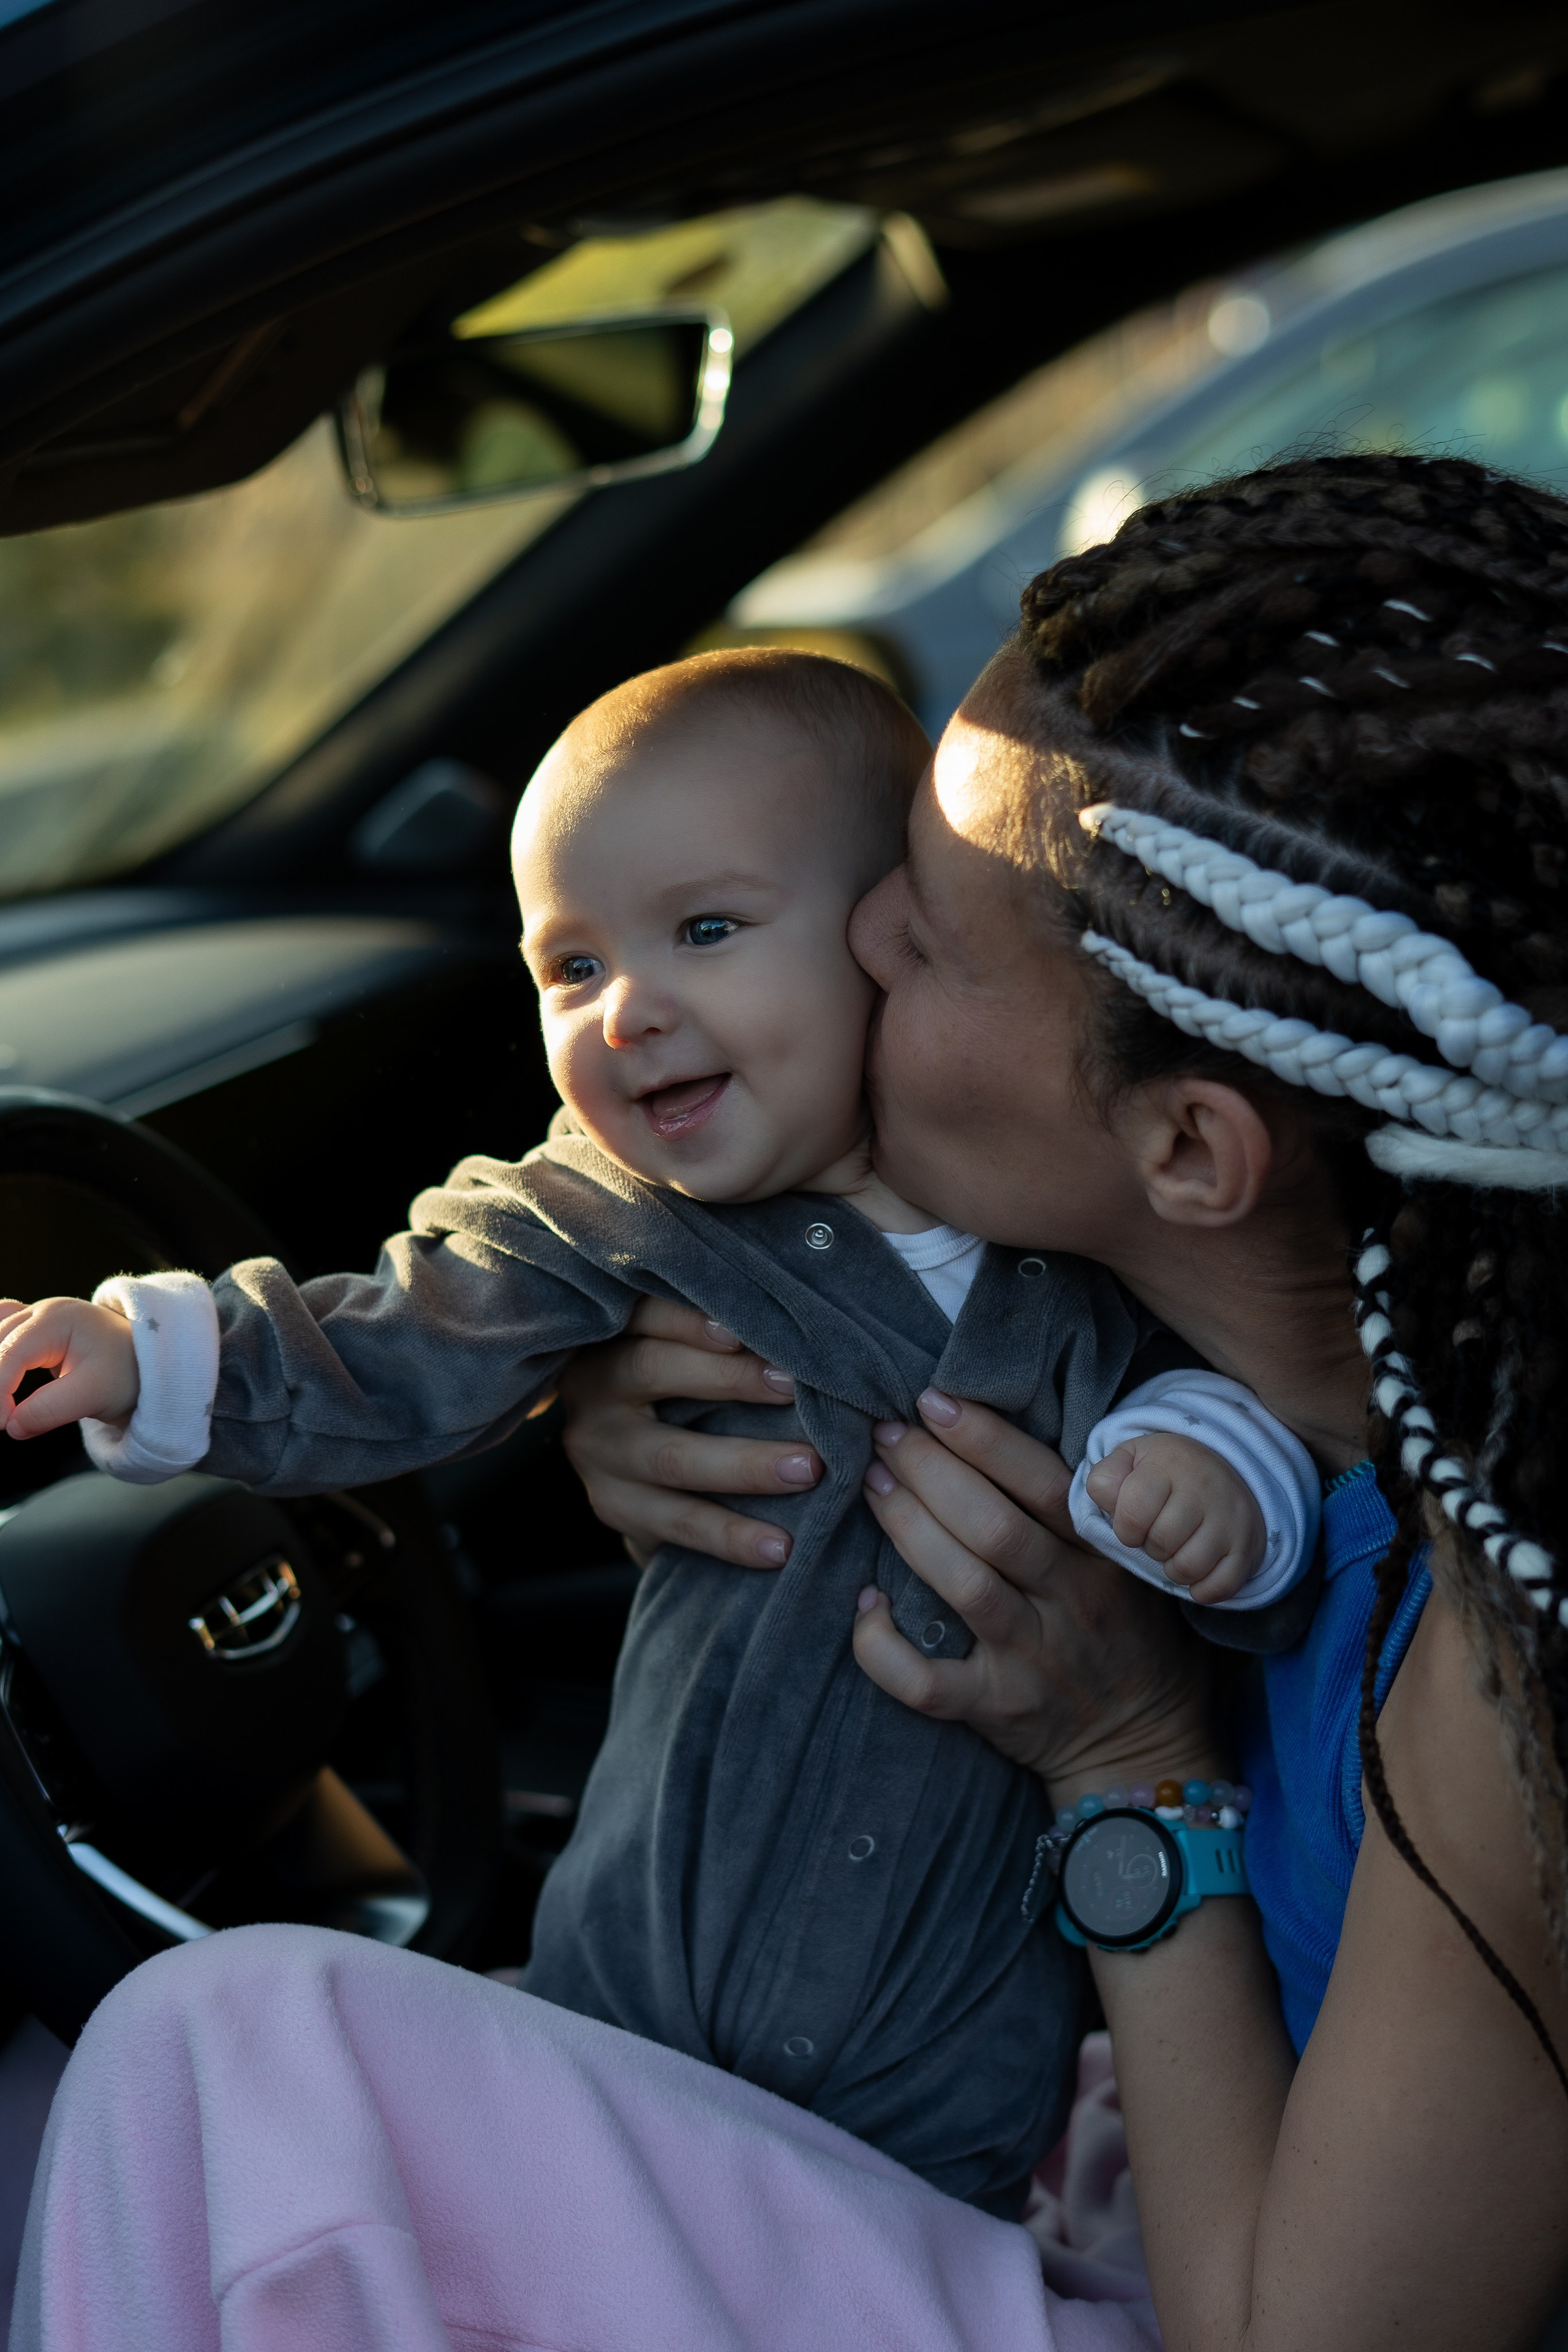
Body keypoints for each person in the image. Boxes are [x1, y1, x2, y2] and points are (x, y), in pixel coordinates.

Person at [13, 450, 1568, 2352]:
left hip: (1163, 2258)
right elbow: (467, 1307)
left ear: (1186, 1144)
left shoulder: (1505, 1678)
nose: (860, 946)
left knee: (212, 2043)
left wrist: (1128, 1764)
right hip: (1022, 2125)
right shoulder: (1329, 1405)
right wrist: (587, 1391)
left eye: (921, 924)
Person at [0, 647, 1313, 2220]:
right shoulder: (610, 1217)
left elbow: (1204, 1399)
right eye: (569, 967)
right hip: (625, 2007)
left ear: (891, 937)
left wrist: (1219, 1476)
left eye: (703, 932)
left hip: (941, 2093)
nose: (627, 1012)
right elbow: (408, 1332)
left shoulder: (1064, 1223)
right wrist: (149, 1353)